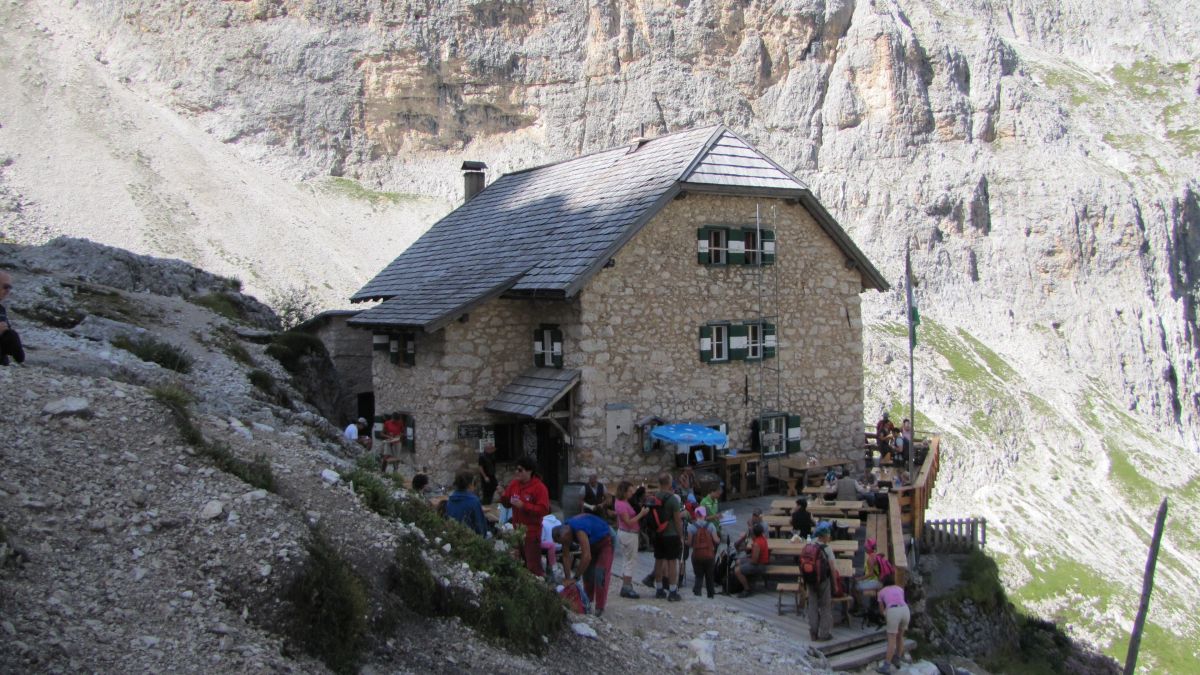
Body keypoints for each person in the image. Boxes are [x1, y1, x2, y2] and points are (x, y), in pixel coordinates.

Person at [553, 513, 615, 618]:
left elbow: (586, 557)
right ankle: (587, 602)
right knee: (588, 574)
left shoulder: (579, 530)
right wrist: (568, 578)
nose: (564, 544)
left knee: (601, 573)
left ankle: (599, 608)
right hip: (593, 542)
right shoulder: (565, 531)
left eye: (563, 542)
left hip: (606, 539)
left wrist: (575, 578)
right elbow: (566, 556)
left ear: (565, 534)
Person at [501, 456, 551, 576]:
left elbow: (543, 510)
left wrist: (524, 506)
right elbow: (507, 503)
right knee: (519, 565)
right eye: (516, 469)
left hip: (531, 533)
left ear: (529, 471)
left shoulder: (539, 488)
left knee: (533, 566)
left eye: (520, 470)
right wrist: (502, 495)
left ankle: (539, 584)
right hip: (517, 531)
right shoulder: (514, 484)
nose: (516, 472)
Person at [651, 472, 684, 601]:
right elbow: (677, 520)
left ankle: (659, 589)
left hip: (657, 533)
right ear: (669, 483)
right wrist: (681, 535)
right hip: (671, 534)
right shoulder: (673, 499)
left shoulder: (654, 497)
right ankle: (672, 591)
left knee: (658, 561)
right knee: (672, 562)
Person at [613, 481, 649, 599]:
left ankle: (626, 584)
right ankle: (627, 586)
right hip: (629, 534)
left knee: (626, 560)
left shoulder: (620, 502)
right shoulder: (622, 505)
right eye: (629, 491)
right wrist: (641, 514)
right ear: (624, 491)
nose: (631, 493)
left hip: (625, 533)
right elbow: (628, 522)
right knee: (630, 561)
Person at [806, 521, 837, 642]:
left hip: (810, 579)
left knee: (812, 605)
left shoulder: (810, 544)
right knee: (825, 606)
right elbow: (832, 568)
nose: (829, 536)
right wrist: (835, 584)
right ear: (823, 536)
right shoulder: (827, 548)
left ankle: (813, 633)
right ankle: (824, 634)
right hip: (823, 580)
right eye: (828, 534)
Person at [875, 574, 910, 673]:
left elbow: (881, 609)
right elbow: (902, 599)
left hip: (893, 611)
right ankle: (897, 658)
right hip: (905, 610)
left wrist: (885, 615)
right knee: (900, 637)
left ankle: (886, 666)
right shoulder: (900, 589)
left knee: (891, 639)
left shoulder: (881, 592)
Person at [444, 471, 488, 536]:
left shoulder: (450, 499)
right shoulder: (473, 501)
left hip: (453, 535)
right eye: (474, 483)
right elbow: (481, 528)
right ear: (470, 485)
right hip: (469, 538)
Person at [687, 506, 718, 598]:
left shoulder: (691, 527)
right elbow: (716, 540)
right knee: (710, 576)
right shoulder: (711, 526)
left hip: (697, 555)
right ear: (705, 515)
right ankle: (710, 595)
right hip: (709, 555)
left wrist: (683, 541)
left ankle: (697, 594)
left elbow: (689, 543)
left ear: (696, 514)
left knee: (699, 576)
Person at [733, 522, 769, 598]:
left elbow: (754, 561)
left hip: (760, 565)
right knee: (738, 561)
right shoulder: (762, 538)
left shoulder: (757, 543)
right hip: (760, 562)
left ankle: (747, 589)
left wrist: (745, 561)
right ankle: (745, 581)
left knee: (737, 570)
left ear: (754, 534)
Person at [0, 271, 25, 366]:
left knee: (12, 335)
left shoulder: (1, 309)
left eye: (10, 288)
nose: (8, 291)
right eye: (5, 287)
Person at [856, 538, 885, 612]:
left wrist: (859, 579)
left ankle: (860, 607)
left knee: (855, 587)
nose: (865, 549)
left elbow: (871, 574)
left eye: (866, 548)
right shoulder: (876, 555)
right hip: (881, 580)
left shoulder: (870, 559)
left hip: (876, 582)